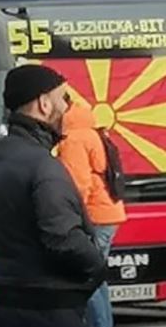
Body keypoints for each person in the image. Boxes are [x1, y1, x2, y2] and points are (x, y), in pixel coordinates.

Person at [0, 64, 106, 327]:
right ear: (44, 104)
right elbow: (63, 238)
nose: (67, 107)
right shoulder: (43, 165)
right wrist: (97, 268)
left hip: (5, 305)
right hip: (50, 310)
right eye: (63, 98)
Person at [57, 103, 127, 327]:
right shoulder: (91, 131)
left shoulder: (73, 139)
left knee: (86, 276)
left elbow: (78, 185)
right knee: (96, 277)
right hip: (108, 212)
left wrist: (70, 218)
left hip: (94, 215)